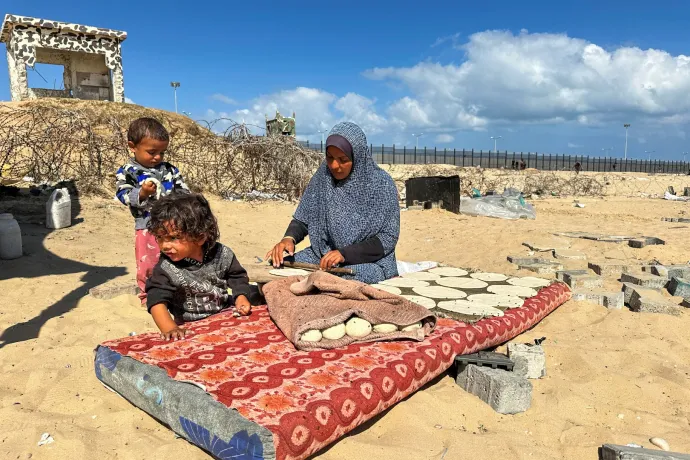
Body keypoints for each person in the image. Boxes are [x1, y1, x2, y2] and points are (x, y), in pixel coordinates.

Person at [267, 122, 400, 284]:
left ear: (357, 157)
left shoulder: (381, 184)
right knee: (279, 267)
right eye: (330, 158)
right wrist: (288, 238)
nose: (334, 166)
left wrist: (345, 254)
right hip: (325, 255)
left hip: (368, 262)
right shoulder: (323, 177)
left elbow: (388, 238)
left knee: (347, 280)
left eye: (343, 160)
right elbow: (303, 217)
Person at [146, 193, 254, 340]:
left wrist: (241, 297)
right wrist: (170, 328)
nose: (165, 246)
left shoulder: (222, 255)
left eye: (173, 238)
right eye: (159, 238)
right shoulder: (165, 268)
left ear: (200, 237)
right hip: (190, 325)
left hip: (225, 314)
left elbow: (237, 277)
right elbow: (156, 300)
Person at [115, 118, 189, 304]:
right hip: (147, 226)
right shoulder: (128, 171)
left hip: (173, 225)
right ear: (133, 146)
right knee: (148, 264)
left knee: (175, 258)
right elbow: (122, 193)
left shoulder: (169, 170)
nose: (157, 157)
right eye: (152, 152)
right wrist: (141, 193)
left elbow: (183, 190)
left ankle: (176, 291)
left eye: (162, 152)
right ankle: (148, 295)